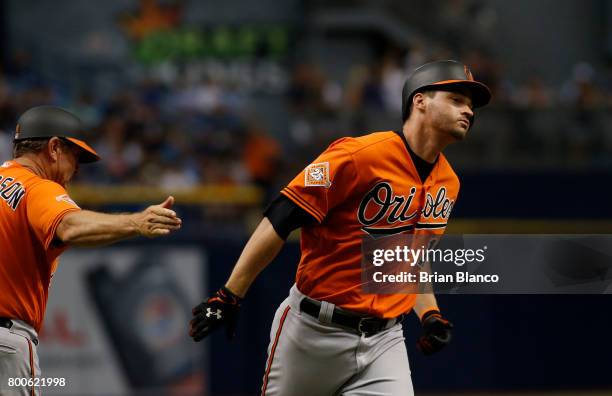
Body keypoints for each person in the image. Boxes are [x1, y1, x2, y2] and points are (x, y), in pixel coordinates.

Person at [189, 60, 491, 395]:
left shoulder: (449, 182)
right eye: (457, 99)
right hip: (313, 331)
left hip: (384, 340)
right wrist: (230, 294)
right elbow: (281, 217)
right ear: (420, 101)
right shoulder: (358, 155)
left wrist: (430, 314)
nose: (469, 111)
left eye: (471, 105)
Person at [0, 106, 182, 396]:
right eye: (75, 156)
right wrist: (134, 221)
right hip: (6, 343)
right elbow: (70, 226)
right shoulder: (38, 187)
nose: (76, 169)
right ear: (54, 147)